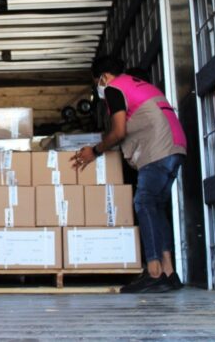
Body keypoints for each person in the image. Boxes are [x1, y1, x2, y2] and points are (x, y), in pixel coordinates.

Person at [72, 56, 187, 294]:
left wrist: (94, 151)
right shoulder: (141, 85)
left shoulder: (114, 88)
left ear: (103, 77)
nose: (99, 88)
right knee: (156, 207)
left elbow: (118, 131)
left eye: (97, 82)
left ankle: (154, 272)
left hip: (157, 150)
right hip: (176, 147)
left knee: (144, 203)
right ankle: (168, 272)